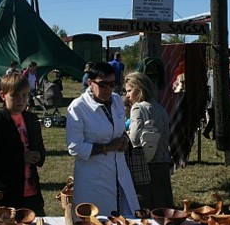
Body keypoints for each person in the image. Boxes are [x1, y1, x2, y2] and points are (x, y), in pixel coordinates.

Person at [66, 61, 139, 215]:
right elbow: (74, 147)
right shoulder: (78, 107)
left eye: (112, 84)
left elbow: (119, 130)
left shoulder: (117, 100)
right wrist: (107, 147)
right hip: (93, 179)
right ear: (90, 83)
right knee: (98, 224)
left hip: (120, 173)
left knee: (127, 220)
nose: (108, 89)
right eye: (103, 84)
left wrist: (124, 141)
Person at [0, 73, 46, 215]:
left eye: (24, 95)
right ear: (3, 95)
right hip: (6, 195)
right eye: (15, 95)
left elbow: (40, 150)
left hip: (31, 193)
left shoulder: (32, 119)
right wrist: (21, 158)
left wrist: (38, 155)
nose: (21, 100)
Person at [124, 71, 173, 210]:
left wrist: (125, 133)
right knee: (162, 205)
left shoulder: (138, 108)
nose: (127, 95)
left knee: (145, 204)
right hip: (163, 160)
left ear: (139, 89)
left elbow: (134, 138)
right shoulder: (160, 108)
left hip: (145, 163)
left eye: (129, 90)